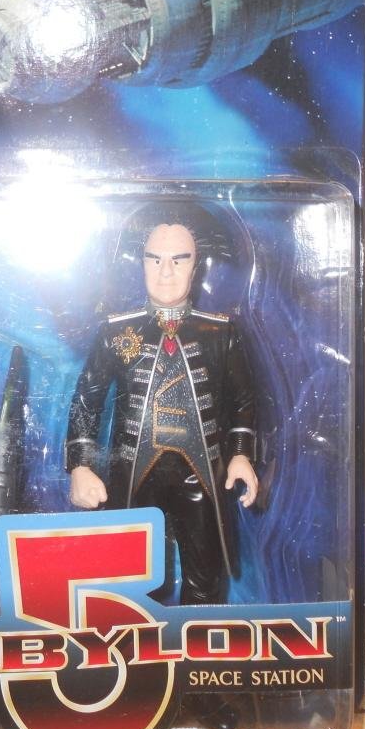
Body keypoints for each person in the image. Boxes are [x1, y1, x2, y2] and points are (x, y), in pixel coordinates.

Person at [66, 222, 259, 607]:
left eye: (178, 260)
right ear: (141, 263)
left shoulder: (221, 333)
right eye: (155, 260)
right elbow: (88, 400)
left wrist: (240, 455)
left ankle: (196, 638)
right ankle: (134, 637)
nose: (166, 271)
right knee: (129, 575)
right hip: (133, 474)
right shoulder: (116, 332)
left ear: (195, 266)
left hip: (201, 475)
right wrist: (80, 466)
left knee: (206, 575)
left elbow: (243, 400)